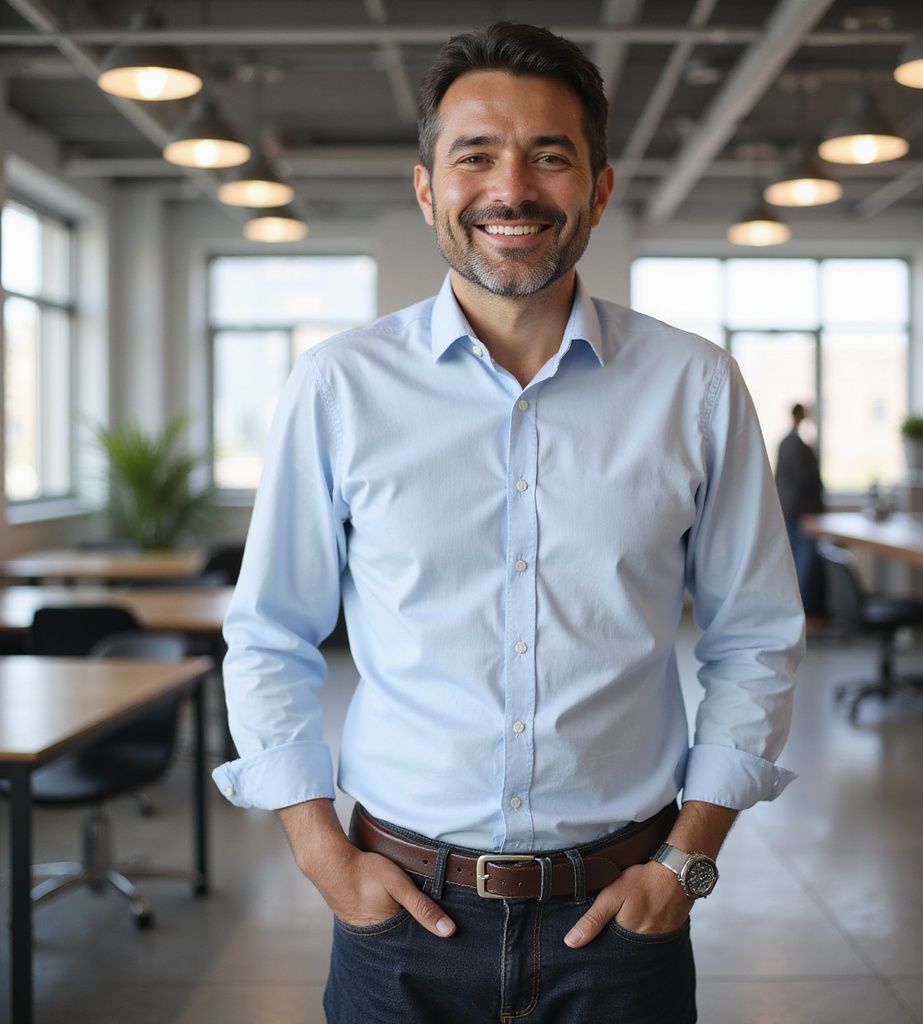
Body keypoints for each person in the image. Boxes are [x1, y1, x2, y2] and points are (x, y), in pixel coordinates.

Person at [213, 22, 803, 1024]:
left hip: (624, 921)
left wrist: (686, 861)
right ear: (426, 188)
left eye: (549, 155)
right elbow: (270, 633)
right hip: (397, 917)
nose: (511, 188)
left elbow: (755, 640)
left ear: (599, 189)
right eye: (475, 154)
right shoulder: (340, 387)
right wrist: (322, 856)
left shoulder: (694, 386)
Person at [775, 403, 825, 614]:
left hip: (791, 510)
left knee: (797, 559)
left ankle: (797, 609)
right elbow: (805, 479)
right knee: (803, 560)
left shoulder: (786, 443)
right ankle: (801, 611)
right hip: (801, 512)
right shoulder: (795, 445)